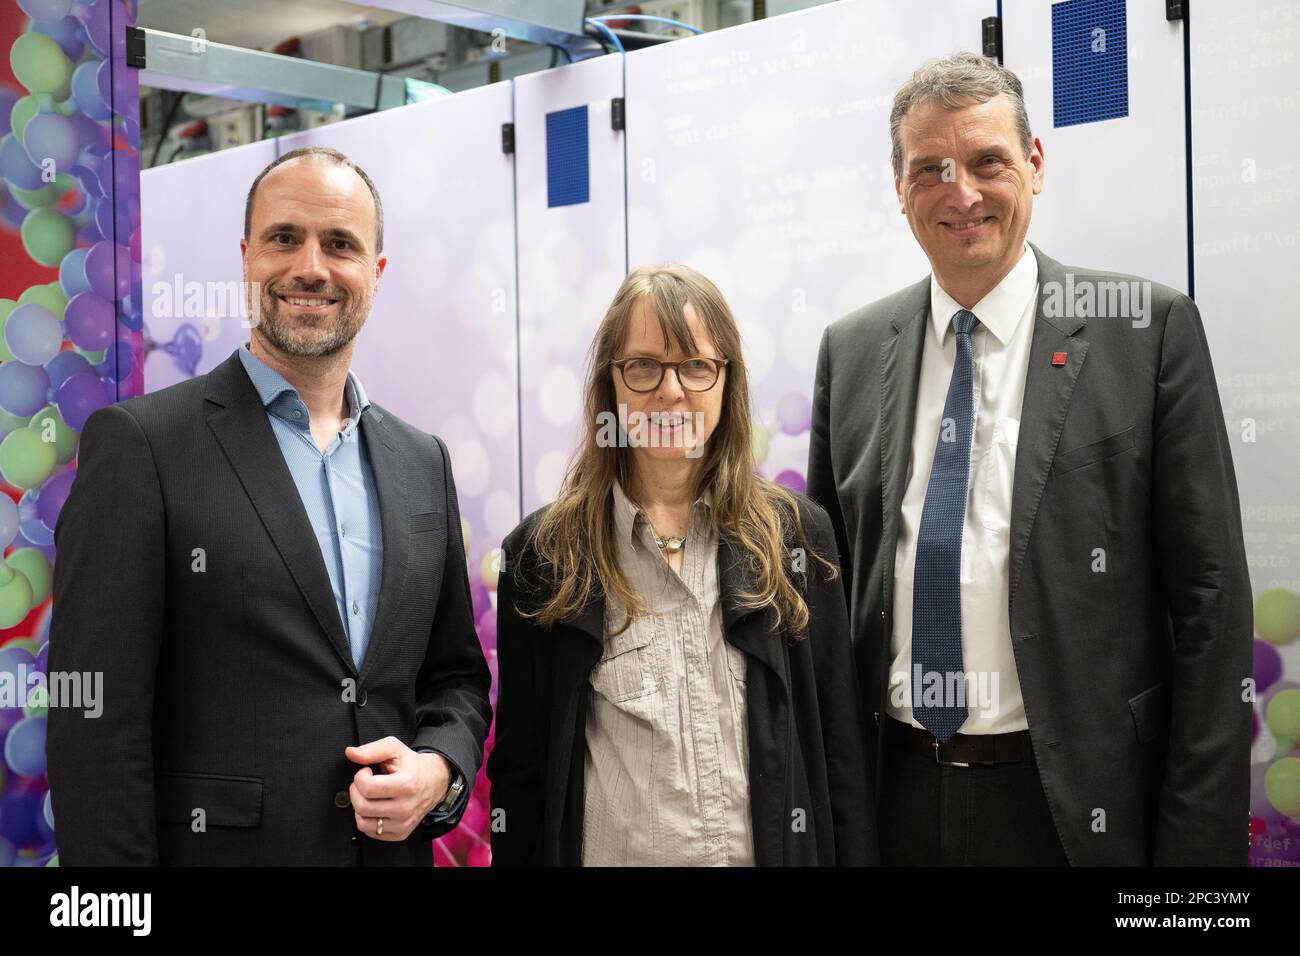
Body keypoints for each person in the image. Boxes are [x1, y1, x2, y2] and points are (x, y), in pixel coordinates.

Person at [806, 52, 1251, 865]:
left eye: (987, 163)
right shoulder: (852, 351)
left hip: (1076, 810)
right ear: (899, 187)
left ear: (1034, 165)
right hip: (894, 799)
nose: (961, 193)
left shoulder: (1145, 334)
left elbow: (1212, 611)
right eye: (930, 169)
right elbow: (829, 611)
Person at [46, 146, 493, 865]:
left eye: (340, 244)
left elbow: (456, 678)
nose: (310, 267)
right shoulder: (143, 448)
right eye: (285, 238)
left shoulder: (421, 462)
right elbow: (95, 722)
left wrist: (437, 769)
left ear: (375, 274)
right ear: (247, 256)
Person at [488, 264, 876, 866]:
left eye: (696, 365)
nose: (670, 391)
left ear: (727, 382)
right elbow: (521, 778)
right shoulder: (545, 555)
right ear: (609, 386)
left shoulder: (795, 539)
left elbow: (840, 758)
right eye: (642, 365)